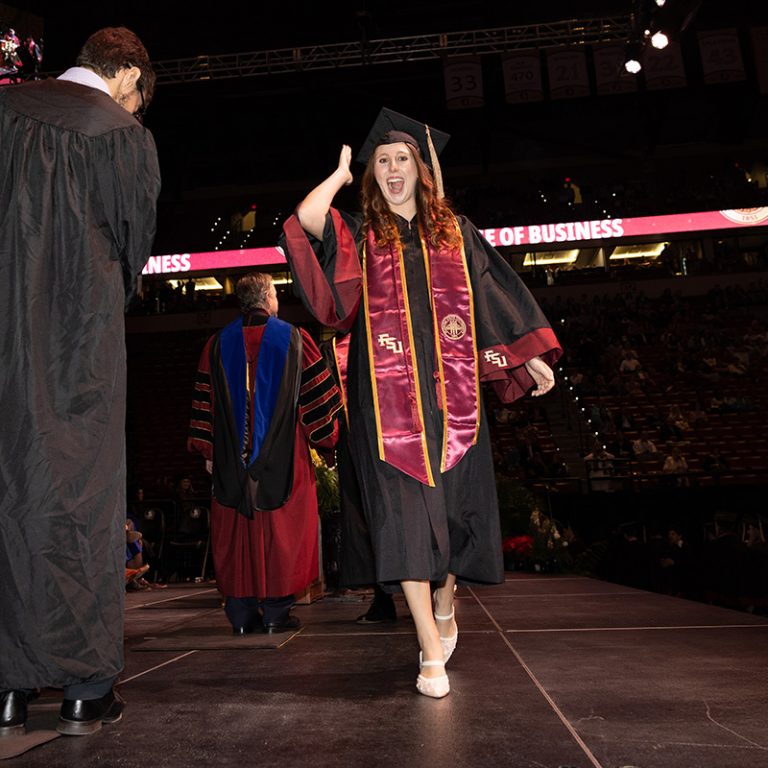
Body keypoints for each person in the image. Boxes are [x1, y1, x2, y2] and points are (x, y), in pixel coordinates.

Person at [280, 108, 561, 698]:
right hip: (385, 407)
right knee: (402, 519)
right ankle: (429, 651)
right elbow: (307, 221)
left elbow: (491, 297)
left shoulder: (454, 232)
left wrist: (524, 354)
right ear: (373, 174)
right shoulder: (359, 234)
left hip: (451, 399)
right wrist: (337, 175)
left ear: (422, 169)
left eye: (401, 158)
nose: (391, 168)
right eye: (380, 161)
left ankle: (445, 602)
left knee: (454, 512)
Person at [0, 27, 160, 738]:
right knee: (83, 494)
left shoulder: (4, 110)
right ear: (124, 70)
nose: (137, 106)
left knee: (10, 496)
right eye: (139, 93)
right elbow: (132, 247)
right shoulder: (118, 134)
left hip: (6, 339)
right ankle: (85, 686)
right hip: (78, 341)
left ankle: (7, 687)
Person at [188, 273, 342, 635]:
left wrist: (210, 452)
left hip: (229, 460)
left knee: (237, 533)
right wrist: (326, 438)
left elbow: (203, 408)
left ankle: (241, 617)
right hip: (285, 456)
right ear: (269, 299)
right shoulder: (294, 339)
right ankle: (276, 613)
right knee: (283, 532)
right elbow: (318, 408)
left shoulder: (215, 345)